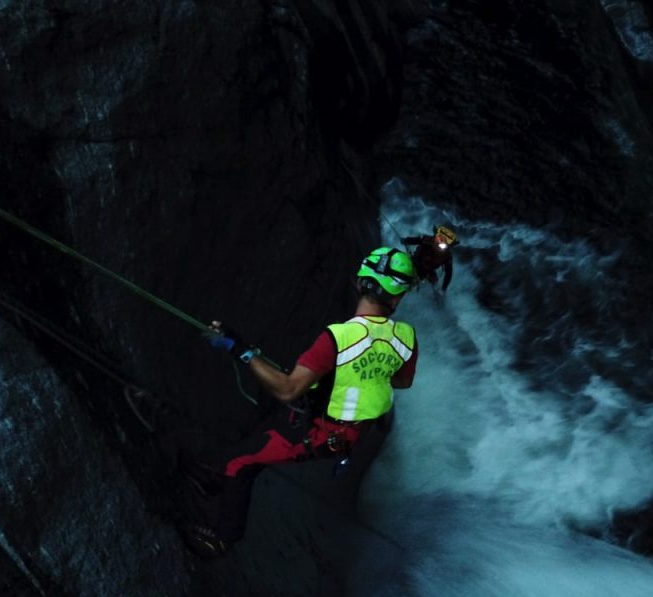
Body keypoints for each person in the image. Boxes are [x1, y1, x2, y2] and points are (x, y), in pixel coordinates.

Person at [181, 247, 419, 558]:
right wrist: (362, 376)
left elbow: (287, 390)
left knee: (240, 463)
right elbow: (402, 380)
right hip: (345, 433)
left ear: (361, 282)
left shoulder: (338, 338)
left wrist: (238, 348)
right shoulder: (405, 337)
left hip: (319, 434)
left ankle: (223, 539)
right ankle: (215, 480)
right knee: (258, 446)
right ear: (397, 298)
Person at [401, 225, 458, 292]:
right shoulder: (427, 240)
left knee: (435, 282)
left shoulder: (447, 256)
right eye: (440, 236)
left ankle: (438, 295)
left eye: (448, 239)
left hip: (428, 270)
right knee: (407, 275)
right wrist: (405, 240)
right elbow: (416, 240)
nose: (443, 241)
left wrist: (444, 288)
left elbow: (448, 273)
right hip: (415, 261)